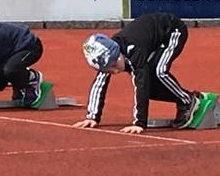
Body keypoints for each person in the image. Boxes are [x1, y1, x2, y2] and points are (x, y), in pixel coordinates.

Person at [73, 13, 202, 134]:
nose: (114, 71)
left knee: (159, 71)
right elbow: (99, 84)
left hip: (172, 31)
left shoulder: (134, 52)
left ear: (118, 56)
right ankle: (183, 97)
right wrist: (92, 117)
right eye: (108, 69)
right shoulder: (107, 56)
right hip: (150, 40)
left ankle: (188, 100)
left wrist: (139, 123)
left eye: (114, 66)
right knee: (150, 87)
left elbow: (141, 84)